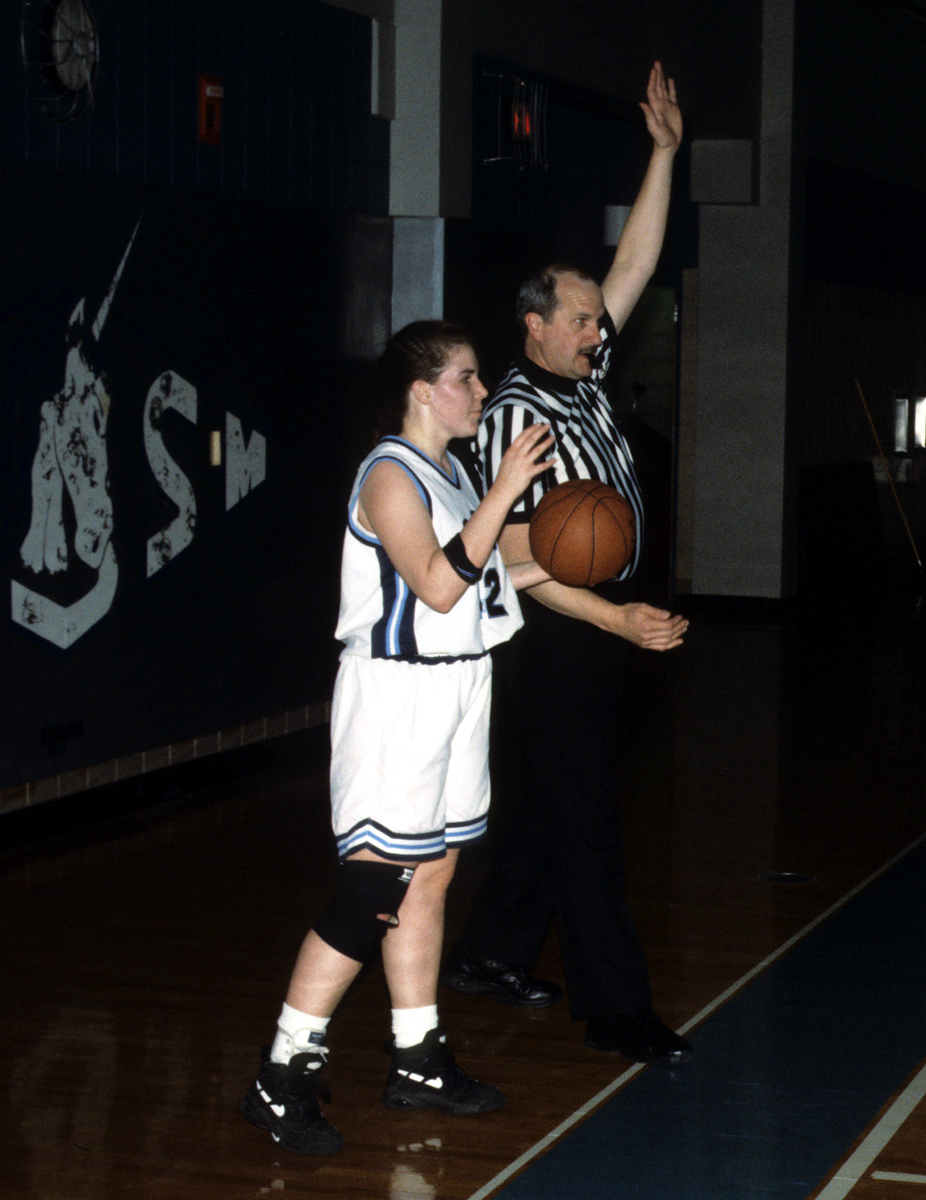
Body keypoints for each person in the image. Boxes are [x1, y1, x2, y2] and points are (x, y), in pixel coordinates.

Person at [240, 321, 556, 1153]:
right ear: (423, 390)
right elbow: (436, 585)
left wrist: (562, 563)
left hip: (461, 686)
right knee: (374, 889)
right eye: (467, 378)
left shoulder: (454, 473)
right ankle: (281, 1073)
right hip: (397, 696)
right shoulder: (389, 474)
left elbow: (482, 582)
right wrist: (505, 493)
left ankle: (416, 1058)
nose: (481, 392)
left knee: (431, 878)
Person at [441, 62, 692, 1064]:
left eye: (598, 318)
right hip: (553, 629)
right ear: (535, 327)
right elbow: (515, 562)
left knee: (555, 796)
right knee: (589, 819)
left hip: (599, 615)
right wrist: (617, 618)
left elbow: (636, 261)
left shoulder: (582, 377)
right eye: (582, 320)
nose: (600, 330)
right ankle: (616, 1009)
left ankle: (490, 952)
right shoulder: (514, 416)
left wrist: (664, 153)